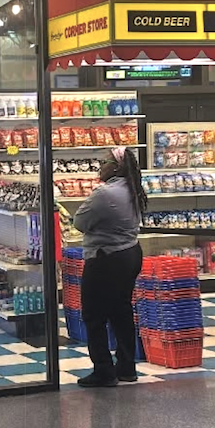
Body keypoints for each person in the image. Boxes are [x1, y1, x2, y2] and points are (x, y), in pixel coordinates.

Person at [73, 146, 148, 388]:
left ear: (115, 168)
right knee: (121, 311)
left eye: (104, 162)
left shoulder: (105, 194)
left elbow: (80, 222)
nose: (100, 166)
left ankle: (104, 370)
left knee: (93, 315)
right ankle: (126, 367)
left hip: (106, 258)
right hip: (130, 253)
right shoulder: (133, 189)